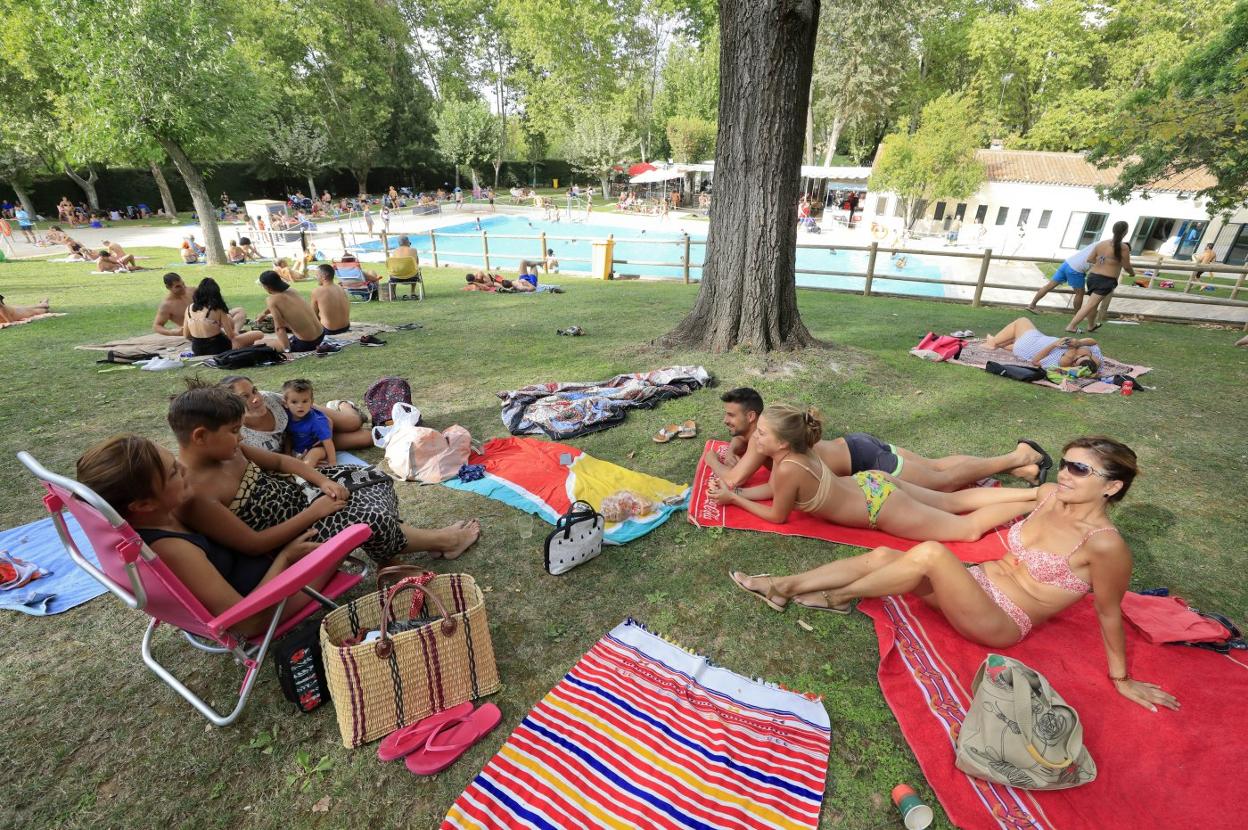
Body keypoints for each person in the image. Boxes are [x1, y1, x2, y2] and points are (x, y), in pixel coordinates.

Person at [728, 437, 1180, 713]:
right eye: (1065, 463)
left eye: (1079, 469)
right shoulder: (1047, 496)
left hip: (1001, 621)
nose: (1064, 473)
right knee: (888, 554)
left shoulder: (1105, 544)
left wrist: (1122, 679)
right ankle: (782, 586)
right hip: (975, 585)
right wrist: (929, 492)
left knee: (928, 555)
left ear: (1112, 485)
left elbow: (1108, 614)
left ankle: (835, 595)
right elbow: (978, 501)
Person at [170, 382, 480, 563]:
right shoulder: (196, 494)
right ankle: (441, 541)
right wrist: (314, 511)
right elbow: (253, 544)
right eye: (235, 431)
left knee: (368, 477)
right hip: (294, 531)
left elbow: (280, 463)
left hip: (300, 497)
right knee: (366, 517)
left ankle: (398, 541)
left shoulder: (230, 450)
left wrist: (321, 479)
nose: (240, 438)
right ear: (200, 436)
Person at [75, 435, 331, 636]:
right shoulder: (172, 549)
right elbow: (248, 622)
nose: (184, 469)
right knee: (349, 531)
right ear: (142, 505)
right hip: (269, 607)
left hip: (264, 573)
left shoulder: (160, 514)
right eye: (174, 472)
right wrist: (286, 558)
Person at [709, 404, 1039, 542]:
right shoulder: (797, 454)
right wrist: (734, 493)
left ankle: (1036, 499)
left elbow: (777, 515)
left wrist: (736, 501)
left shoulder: (786, 470)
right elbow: (770, 491)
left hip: (879, 506)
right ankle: (1031, 493)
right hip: (872, 481)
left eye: (762, 434)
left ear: (781, 443)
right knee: (951, 500)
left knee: (966, 528)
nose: (756, 439)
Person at [708, 387, 1049, 493]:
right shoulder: (765, 430)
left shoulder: (761, 440)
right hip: (856, 445)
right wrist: (733, 447)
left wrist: (709, 458)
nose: (725, 422)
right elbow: (739, 453)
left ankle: (1018, 456)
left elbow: (734, 481)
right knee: (935, 466)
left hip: (866, 462)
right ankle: (1022, 470)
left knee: (942, 482)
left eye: (730, 417)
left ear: (752, 418)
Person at [223, 376, 372, 453]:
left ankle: (341, 404)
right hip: (301, 445)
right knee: (368, 437)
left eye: (254, 390)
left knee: (352, 422)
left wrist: (327, 431)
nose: (256, 398)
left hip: (308, 419)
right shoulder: (237, 432)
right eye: (245, 396)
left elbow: (300, 404)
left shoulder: (269, 398)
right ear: (231, 404)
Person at [1067, 221, 1136, 333]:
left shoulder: (1101, 244)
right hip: (1106, 280)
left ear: (1113, 230)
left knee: (1093, 304)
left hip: (1093, 277)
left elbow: (1089, 259)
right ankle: (1071, 326)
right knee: (1090, 304)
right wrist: (1132, 273)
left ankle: (1091, 326)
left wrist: (1103, 261)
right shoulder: (1124, 247)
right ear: (1126, 232)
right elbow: (1127, 266)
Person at [986, 318, 1103, 373]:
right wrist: (1080, 343)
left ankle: (993, 342)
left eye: (1075, 360)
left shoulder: (1065, 361)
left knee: (1021, 321)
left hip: (1032, 343)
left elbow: (1036, 361)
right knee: (1013, 342)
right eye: (1080, 356)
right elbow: (1093, 342)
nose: (1076, 357)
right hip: (1027, 348)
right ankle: (999, 344)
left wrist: (1054, 344)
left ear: (1073, 365)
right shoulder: (1095, 361)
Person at [184, 278, 264, 356]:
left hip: (197, 349)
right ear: (216, 294)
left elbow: (186, 335)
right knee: (259, 334)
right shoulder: (217, 309)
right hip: (218, 347)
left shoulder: (188, 308)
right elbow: (231, 336)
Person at [256, 269, 327, 352]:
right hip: (321, 335)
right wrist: (264, 313)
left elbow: (279, 328)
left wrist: (286, 350)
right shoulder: (292, 291)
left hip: (307, 344)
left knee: (258, 342)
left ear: (266, 287)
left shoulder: (271, 300)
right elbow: (278, 304)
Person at [1028, 241, 1097, 313]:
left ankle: (1032, 305)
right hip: (1076, 269)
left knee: (1049, 286)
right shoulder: (1105, 246)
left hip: (1067, 263)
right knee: (1080, 293)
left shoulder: (1101, 243)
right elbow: (1093, 260)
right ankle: (1078, 315)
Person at [282, 379, 335, 467]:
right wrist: (288, 454)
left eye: (305, 401)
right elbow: (288, 436)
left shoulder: (316, 421)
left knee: (310, 459)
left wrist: (332, 462)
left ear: (311, 402)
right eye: (294, 402)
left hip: (317, 448)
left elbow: (328, 442)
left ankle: (305, 473)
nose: (300, 406)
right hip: (298, 449)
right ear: (286, 403)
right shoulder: (287, 417)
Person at [311, 263, 351, 335]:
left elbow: (313, 315)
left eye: (317, 275)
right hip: (346, 327)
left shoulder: (317, 291)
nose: (316, 277)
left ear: (324, 276)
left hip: (329, 330)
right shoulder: (340, 288)